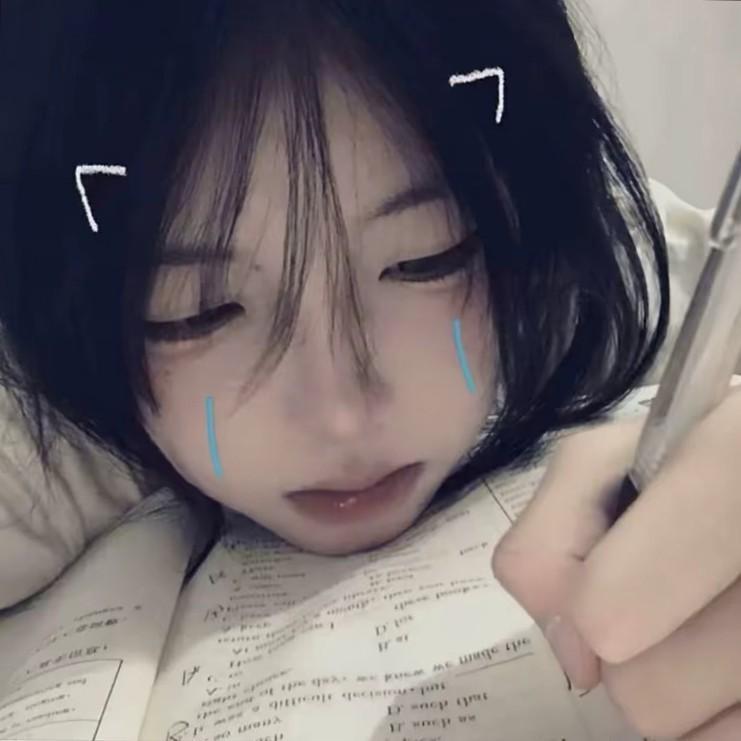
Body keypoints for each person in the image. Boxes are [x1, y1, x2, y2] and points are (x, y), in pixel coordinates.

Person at [0, 2, 737, 737]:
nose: (342, 415)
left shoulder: (592, 278)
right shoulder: (49, 412)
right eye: (199, 310)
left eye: (426, 256)